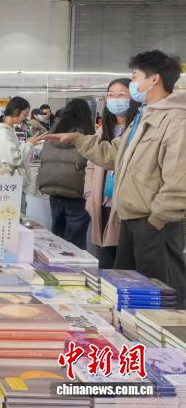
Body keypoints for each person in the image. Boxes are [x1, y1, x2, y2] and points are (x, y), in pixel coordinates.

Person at [46, 50, 186, 305]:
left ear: (154, 79)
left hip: (155, 224)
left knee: (161, 296)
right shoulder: (144, 117)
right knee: (132, 293)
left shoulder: (177, 120)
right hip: (131, 220)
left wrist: (157, 218)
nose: (133, 84)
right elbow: (113, 154)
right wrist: (77, 139)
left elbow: (179, 180)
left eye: (135, 77)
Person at [84, 79, 140, 269]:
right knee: (104, 264)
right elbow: (91, 166)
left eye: (122, 95)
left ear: (133, 98)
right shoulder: (103, 131)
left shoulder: (138, 129)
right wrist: (89, 196)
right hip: (102, 205)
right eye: (111, 95)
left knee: (125, 267)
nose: (115, 99)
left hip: (125, 208)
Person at [37, 99, 96, 250]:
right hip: (77, 192)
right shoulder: (87, 134)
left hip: (54, 189)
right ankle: (74, 265)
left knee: (57, 236)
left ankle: (56, 263)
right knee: (75, 240)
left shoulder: (54, 131)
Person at [0, 97, 43, 212]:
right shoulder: (3, 133)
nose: (25, 118)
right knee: (14, 217)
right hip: (9, 186)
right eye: (24, 114)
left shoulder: (7, 131)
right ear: (16, 112)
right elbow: (15, 159)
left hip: (10, 185)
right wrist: (29, 144)